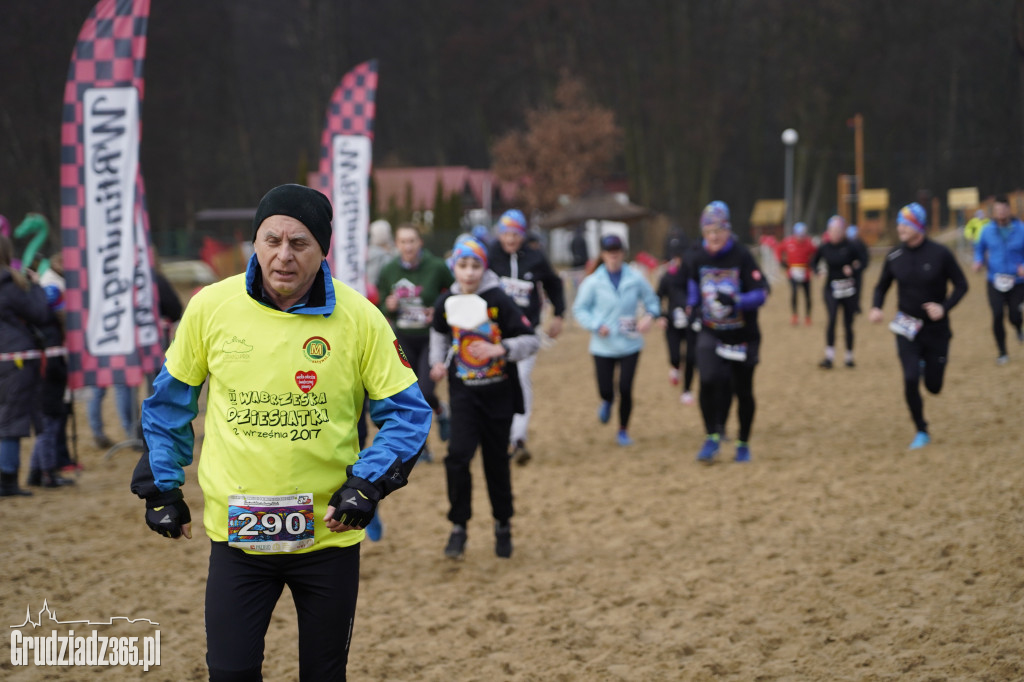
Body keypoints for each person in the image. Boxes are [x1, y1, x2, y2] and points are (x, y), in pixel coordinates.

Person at [131, 184, 432, 681]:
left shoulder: (360, 318)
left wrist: (367, 484)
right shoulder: (211, 307)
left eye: (299, 244)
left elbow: (408, 413)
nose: (283, 256)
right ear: (255, 243)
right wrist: (161, 485)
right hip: (238, 539)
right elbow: (168, 406)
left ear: (322, 251)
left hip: (327, 536)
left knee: (323, 674)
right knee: (230, 672)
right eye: (271, 240)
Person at [428, 238, 539, 559]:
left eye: (476, 265)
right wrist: (437, 362)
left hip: (498, 394)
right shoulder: (447, 300)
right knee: (458, 457)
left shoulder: (498, 299)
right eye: (463, 265)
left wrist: (500, 348)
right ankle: (458, 527)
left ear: (484, 267)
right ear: (454, 268)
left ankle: (503, 524)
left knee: (495, 462)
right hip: (463, 394)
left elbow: (530, 339)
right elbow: (438, 332)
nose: (469, 272)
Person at [869, 202, 968, 450]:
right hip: (906, 328)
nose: (900, 228)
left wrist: (944, 307)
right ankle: (921, 430)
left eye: (906, 224)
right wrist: (876, 307)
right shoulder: (894, 256)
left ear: (918, 227)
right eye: (900, 223)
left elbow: (962, 285)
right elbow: (881, 286)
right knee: (910, 378)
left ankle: (928, 366)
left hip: (937, 330)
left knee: (934, 387)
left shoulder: (940, 254)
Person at [687, 201, 769, 464]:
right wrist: (691, 307)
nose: (713, 237)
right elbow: (692, 287)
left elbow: (761, 293)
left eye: (718, 231)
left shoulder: (742, 256)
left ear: (728, 231)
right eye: (708, 232)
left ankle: (743, 442)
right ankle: (712, 436)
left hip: (743, 335)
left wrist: (736, 300)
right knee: (708, 379)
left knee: (742, 390)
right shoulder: (697, 256)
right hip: (712, 331)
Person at [486, 208, 566, 464]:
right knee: (495, 383)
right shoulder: (489, 256)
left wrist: (559, 314)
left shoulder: (535, 258)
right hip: (491, 333)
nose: (510, 239)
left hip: (526, 331)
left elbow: (554, 284)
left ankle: (518, 437)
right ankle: (497, 433)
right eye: (506, 233)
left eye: (516, 234)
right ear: (499, 233)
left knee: (521, 379)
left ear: (523, 235)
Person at [573, 234, 661, 447]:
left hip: (630, 342)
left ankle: (623, 430)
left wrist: (648, 318)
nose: (613, 256)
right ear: (603, 255)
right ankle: (606, 400)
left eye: (617, 252)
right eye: (609, 252)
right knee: (606, 389)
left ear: (623, 253)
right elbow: (579, 309)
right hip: (603, 345)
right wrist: (595, 325)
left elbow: (653, 302)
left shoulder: (635, 277)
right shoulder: (593, 281)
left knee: (626, 387)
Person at [376, 223, 455, 454]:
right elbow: (381, 304)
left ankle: (440, 411)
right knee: (409, 396)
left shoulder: (437, 267)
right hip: (403, 339)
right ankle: (422, 447)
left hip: (431, 338)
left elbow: (454, 294)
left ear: (420, 242)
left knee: (426, 392)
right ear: (396, 245)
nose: (408, 246)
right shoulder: (389, 270)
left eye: (412, 241)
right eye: (403, 242)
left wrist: (439, 310)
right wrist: (388, 306)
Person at [0, 235, 54, 497]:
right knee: (11, 420)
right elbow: (40, 313)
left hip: (9, 356)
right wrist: (35, 287)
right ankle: (7, 480)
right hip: (15, 358)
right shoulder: (9, 285)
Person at [27, 250, 75, 488]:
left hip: (50, 354)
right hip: (51, 357)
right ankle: (47, 471)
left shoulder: (47, 286)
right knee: (51, 416)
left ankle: (37, 471)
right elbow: (62, 316)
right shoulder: (50, 287)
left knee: (51, 414)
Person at [971, 196, 1024, 365]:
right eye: (997, 210)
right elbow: (979, 249)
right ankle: (1002, 352)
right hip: (994, 280)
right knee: (997, 314)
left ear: (1009, 210)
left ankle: (1018, 327)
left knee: (1015, 314)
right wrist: (978, 261)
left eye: (1003, 209)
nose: (1000, 212)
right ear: (993, 212)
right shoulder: (987, 230)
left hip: (1017, 281)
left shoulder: (1021, 229)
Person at [811, 215, 865, 368]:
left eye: (838, 231)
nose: (835, 234)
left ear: (843, 231)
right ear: (828, 231)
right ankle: (829, 357)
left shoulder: (851, 246)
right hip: (831, 289)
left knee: (848, 323)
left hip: (848, 290)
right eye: (832, 231)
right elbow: (814, 262)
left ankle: (849, 357)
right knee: (832, 319)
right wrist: (818, 271)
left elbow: (863, 261)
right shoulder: (824, 247)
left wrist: (854, 268)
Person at [657, 254, 697, 404]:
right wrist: (660, 316)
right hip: (672, 323)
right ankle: (675, 367)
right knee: (675, 357)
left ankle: (687, 390)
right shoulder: (666, 277)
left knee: (691, 358)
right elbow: (658, 297)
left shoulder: (692, 276)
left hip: (691, 323)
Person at [776, 221, 816, 325]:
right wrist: (781, 262)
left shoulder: (809, 243)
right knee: (794, 293)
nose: (800, 238)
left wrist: (812, 264)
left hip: (805, 272)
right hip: (792, 272)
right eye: (799, 235)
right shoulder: (788, 242)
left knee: (807, 295)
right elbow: (778, 249)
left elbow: (816, 253)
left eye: (802, 235)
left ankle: (808, 316)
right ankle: (795, 315)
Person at [845, 223, 870, 314]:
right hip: (847, 273)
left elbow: (865, 258)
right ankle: (849, 306)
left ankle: (856, 306)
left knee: (857, 289)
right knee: (848, 289)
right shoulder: (845, 244)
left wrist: (861, 266)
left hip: (858, 272)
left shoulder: (861, 244)